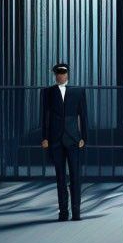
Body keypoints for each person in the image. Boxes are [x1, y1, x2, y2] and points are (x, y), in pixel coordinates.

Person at [40, 63, 88, 221]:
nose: (60, 75)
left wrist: (84, 138)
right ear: (55, 74)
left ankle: (76, 213)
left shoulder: (79, 91)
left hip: (74, 139)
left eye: (63, 72)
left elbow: (83, 115)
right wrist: (45, 137)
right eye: (58, 73)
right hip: (55, 140)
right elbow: (44, 116)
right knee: (60, 177)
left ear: (68, 74)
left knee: (75, 176)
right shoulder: (47, 92)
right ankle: (63, 212)